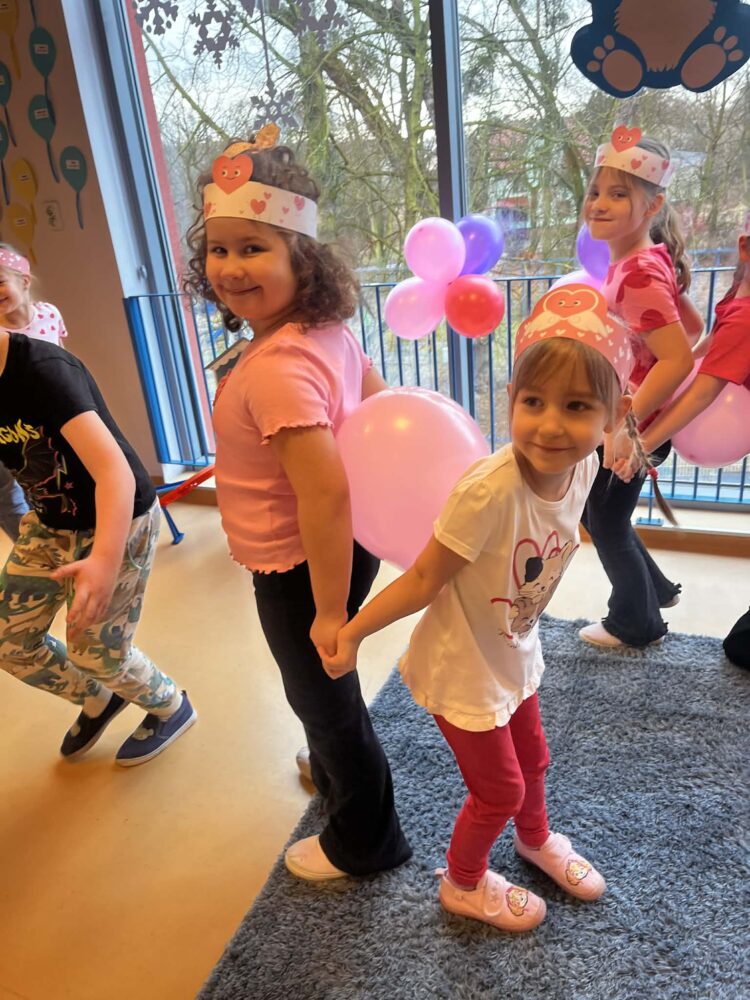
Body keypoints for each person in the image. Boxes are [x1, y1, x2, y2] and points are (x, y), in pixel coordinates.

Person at [320, 286, 639, 932]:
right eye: (533, 402)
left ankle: (535, 839)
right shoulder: (487, 492)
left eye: (577, 406)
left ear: (611, 416)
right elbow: (422, 578)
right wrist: (351, 633)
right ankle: (462, 883)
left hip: (513, 646)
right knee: (499, 790)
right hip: (462, 665)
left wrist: (628, 437)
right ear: (511, 399)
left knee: (535, 761)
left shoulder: (583, 467)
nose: (551, 425)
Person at [183, 124, 411, 880]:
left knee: (323, 695)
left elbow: (325, 492)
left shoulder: (277, 367)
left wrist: (328, 610)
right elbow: (378, 405)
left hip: (302, 563)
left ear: (300, 258)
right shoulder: (323, 331)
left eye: (254, 248)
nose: (231, 267)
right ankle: (331, 766)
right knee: (324, 690)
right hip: (335, 548)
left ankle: (366, 841)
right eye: (219, 248)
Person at [0, 262, 196, 766]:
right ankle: (98, 698)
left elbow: (116, 474)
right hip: (51, 523)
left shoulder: (43, 370)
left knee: (95, 650)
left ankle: (170, 706)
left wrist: (106, 561)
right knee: (8, 641)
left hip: (118, 517)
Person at [579, 126, 694, 649]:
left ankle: (636, 623)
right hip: (637, 415)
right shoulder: (645, 260)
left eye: (618, 194)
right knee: (604, 514)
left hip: (637, 422)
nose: (599, 204)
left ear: (653, 205)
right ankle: (657, 590)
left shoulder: (638, 273)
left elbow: (678, 356)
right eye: (595, 192)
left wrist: (626, 429)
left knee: (604, 520)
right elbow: (690, 328)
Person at [0, 244, 69, 541]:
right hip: (10, 428)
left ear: (24, 281)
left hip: (51, 421)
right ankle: (32, 546)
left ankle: (64, 537)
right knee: (10, 493)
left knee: (53, 484)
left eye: (0, 282)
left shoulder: (49, 314)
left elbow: (64, 362)